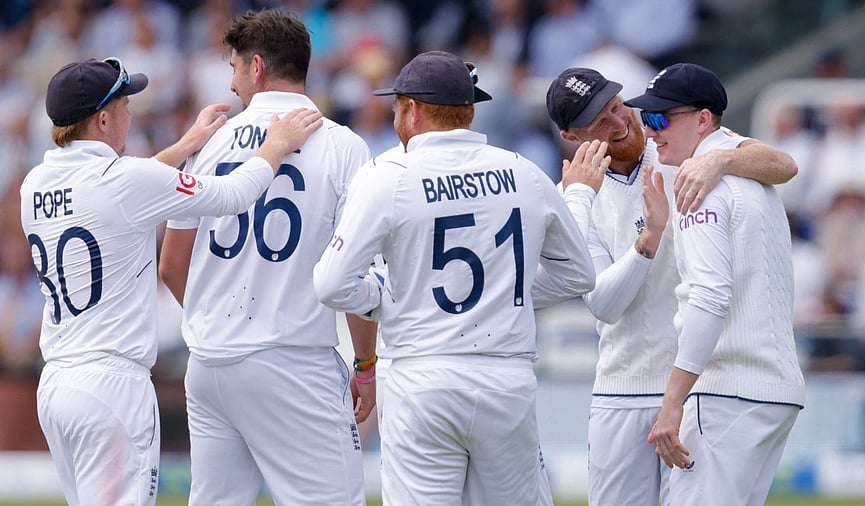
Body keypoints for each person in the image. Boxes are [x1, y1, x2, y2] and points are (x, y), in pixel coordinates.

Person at [19, 56, 320, 506]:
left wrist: (186, 145)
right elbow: (232, 195)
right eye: (123, 105)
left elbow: (123, 194)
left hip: (57, 385)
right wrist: (274, 146)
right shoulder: (123, 181)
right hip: (111, 386)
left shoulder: (34, 184)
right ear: (102, 118)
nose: (130, 113)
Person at [313, 50, 600, 505]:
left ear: (411, 109)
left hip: (420, 377)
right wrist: (507, 294)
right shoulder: (522, 172)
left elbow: (331, 285)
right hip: (507, 378)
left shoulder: (387, 174)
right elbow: (578, 275)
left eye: (396, 107)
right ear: (468, 111)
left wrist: (387, 298)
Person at [544, 66, 798, 506]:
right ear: (572, 137)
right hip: (623, 386)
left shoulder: (679, 147)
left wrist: (720, 159)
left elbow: (784, 164)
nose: (622, 123)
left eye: (617, 106)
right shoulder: (574, 193)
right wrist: (647, 242)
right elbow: (603, 302)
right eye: (600, 121)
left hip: (695, 384)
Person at [158, 9, 377, 505]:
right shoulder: (345, 147)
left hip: (209, 362)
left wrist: (215, 316)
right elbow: (355, 275)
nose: (232, 83)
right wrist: (365, 363)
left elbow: (172, 264)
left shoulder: (207, 143)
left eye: (233, 67)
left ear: (256, 66)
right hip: (294, 358)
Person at [626, 63, 805, 506]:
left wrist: (673, 402)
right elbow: (783, 163)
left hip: (727, 391)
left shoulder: (697, 183)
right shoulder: (746, 167)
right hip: (773, 391)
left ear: (703, 119)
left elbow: (709, 298)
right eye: (646, 119)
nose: (650, 132)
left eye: (661, 118)